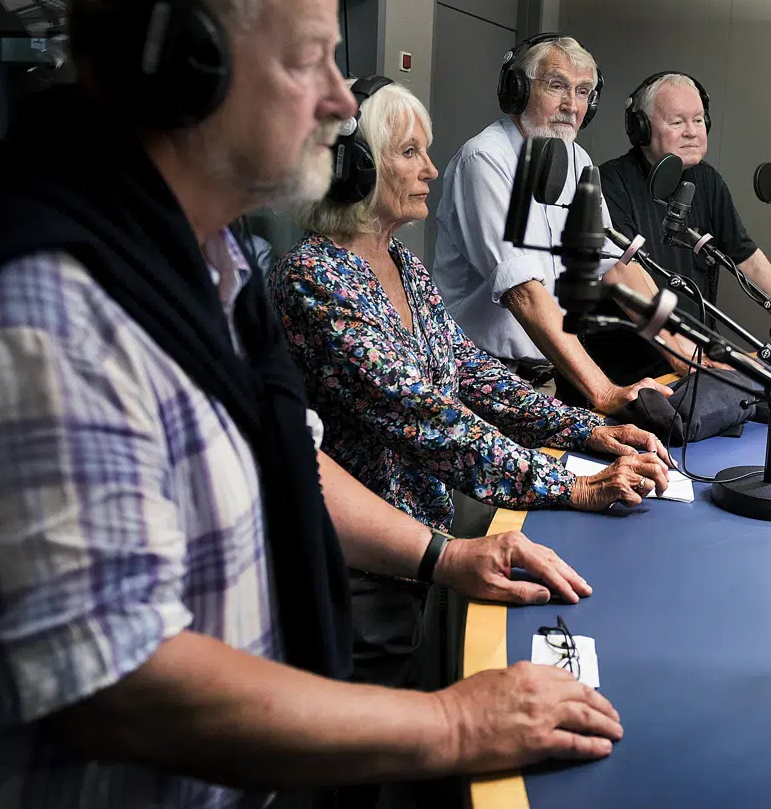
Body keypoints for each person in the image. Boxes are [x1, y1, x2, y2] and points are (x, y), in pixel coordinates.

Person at [0, 0, 621, 809]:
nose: (339, 102)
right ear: (191, 65)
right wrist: (453, 724)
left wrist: (447, 556)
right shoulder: (38, 312)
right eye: (309, 59)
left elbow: (292, 458)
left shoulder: (205, 258)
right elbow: (119, 685)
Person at [273, 76, 673, 688]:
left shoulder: (403, 266)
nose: (431, 170)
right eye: (410, 153)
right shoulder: (315, 279)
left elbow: (471, 374)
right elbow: (425, 418)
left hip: (421, 549)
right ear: (353, 167)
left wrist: (589, 429)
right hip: (360, 573)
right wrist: (569, 485)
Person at [432, 34, 687, 412]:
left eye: (583, 92)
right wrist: (603, 391)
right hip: (480, 380)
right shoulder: (484, 159)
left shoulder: (577, 159)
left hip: (545, 378)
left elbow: (615, 267)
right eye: (557, 86)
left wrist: (685, 353)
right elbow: (523, 291)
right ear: (518, 90)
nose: (571, 105)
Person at [592, 71, 771, 388]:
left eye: (699, 120)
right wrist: (681, 354)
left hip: (698, 357)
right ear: (641, 128)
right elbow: (622, 277)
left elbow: (748, 259)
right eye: (677, 122)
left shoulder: (708, 181)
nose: (691, 132)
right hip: (632, 372)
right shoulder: (611, 183)